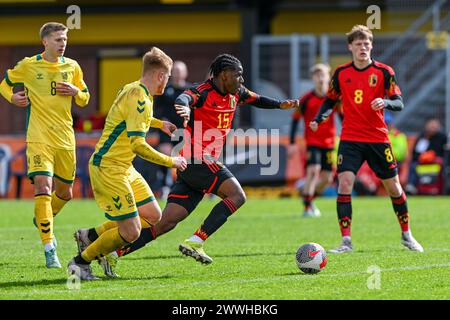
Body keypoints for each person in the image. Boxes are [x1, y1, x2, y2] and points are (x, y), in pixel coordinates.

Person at [90, 53, 299, 275]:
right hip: (196, 158)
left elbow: (257, 99)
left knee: (164, 223)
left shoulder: (236, 92)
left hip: (193, 165)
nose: (242, 80)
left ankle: (113, 254)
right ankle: (196, 241)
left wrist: (280, 104)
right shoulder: (202, 91)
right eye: (238, 75)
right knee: (237, 196)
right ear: (223, 75)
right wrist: (185, 108)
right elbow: (184, 98)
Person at [67, 47, 187, 280]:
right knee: (131, 231)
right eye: (168, 76)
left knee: (153, 215)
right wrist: (171, 161)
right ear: (160, 75)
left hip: (124, 167)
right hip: (109, 167)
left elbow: (128, 117)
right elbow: (138, 146)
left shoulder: (135, 89)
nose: (168, 82)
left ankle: (89, 236)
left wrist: (157, 123)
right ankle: (80, 263)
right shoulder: (139, 96)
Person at [310, 25, 423, 253]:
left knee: (393, 187)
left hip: (378, 139)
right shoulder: (341, 74)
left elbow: (399, 101)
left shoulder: (384, 72)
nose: (363, 47)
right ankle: (346, 242)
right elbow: (330, 100)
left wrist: (386, 102)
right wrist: (319, 118)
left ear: (371, 46)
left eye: (367, 43)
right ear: (350, 47)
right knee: (344, 183)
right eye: (359, 44)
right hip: (350, 139)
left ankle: (406, 234)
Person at [0, 22, 90, 268]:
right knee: (43, 186)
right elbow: (5, 83)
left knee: (65, 193)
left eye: (65, 39)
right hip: (39, 138)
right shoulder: (29, 65)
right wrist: (12, 97)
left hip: (65, 139)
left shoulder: (73, 67)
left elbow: (85, 98)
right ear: (45, 42)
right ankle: (50, 247)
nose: (63, 44)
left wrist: (75, 91)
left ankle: (43, 217)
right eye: (58, 39)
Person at [289, 63, 337, 218]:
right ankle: (307, 207)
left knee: (327, 179)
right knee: (313, 171)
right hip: (312, 142)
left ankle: (308, 198)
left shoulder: (333, 99)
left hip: (329, 143)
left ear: (328, 77)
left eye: (323, 75)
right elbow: (295, 120)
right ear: (313, 79)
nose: (321, 78)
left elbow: (344, 118)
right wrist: (291, 144)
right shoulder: (306, 100)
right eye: (317, 75)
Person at [151, 60, 191, 198]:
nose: (178, 74)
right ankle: (165, 186)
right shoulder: (164, 90)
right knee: (165, 154)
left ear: (185, 73)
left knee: (190, 159)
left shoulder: (190, 91)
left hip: (186, 132)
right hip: (168, 131)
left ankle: (189, 186)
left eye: (180, 71)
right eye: (175, 71)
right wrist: (162, 120)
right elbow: (156, 111)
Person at [405, 117, 447, 195]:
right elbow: (415, 154)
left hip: (436, 163)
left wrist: (433, 157)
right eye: (431, 124)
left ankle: (442, 189)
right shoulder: (422, 137)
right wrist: (423, 157)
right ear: (426, 125)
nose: (433, 127)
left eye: (435, 125)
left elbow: (444, 153)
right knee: (413, 165)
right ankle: (411, 186)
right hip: (422, 163)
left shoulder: (442, 137)